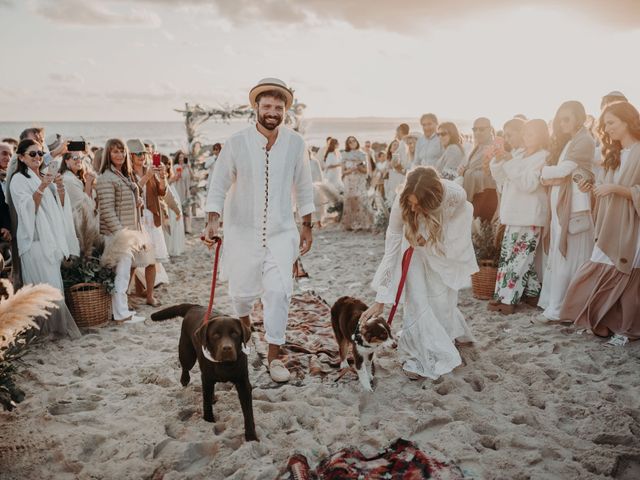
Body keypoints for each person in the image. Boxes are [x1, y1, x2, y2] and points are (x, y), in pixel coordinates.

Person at [203, 77, 314, 383]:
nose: (272, 112)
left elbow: (303, 186)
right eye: (267, 106)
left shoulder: (295, 143)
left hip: (281, 233)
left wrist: (307, 224)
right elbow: (218, 184)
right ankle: (246, 330)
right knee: (241, 295)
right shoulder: (236, 143)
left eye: (278, 107)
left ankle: (275, 355)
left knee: (278, 292)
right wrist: (212, 222)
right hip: (241, 232)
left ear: (284, 111)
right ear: (256, 107)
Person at [362, 167, 477, 380]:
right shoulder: (402, 203)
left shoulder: (455, 195)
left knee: (442, 298)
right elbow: (392, 250)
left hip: (443, 248)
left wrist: (435, 238)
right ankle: (417, 354)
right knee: (417, 299)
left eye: (418, 204)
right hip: (411, 246)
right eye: (410, 202)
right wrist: (381, 299)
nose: (413, 208)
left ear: (432, 199)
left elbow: (460, 225)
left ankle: (445, 337)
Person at [561, 101, 640, 343]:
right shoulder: (611, 154)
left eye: (611, 123)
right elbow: (603, 187)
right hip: (609, 223)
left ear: (628, 121)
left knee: (626, 275)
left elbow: (625, 189)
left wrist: (616, 189)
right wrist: (591, 186)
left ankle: (626, 328)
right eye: (605, 124)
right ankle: (602, 322)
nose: (606, 129)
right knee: (598, 266)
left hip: (632, 226)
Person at [10, 139, 80, 338]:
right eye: (32, 154)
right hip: (34, 242)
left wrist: (58, 188)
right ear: (22, 157)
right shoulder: (18, 180)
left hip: (49, 241)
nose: (38, 157)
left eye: (40, 153)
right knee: (43, 289)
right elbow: (26, 210)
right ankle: (45, 331)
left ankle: (55, 329)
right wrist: (42, 186)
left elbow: (57, 209)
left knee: (53, 286)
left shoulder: (40, 175)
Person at [538, 101, 596, 320]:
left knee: (569, 257)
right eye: (559, 119)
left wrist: (543, 172)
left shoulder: (584, 140)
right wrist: (549, 175)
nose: (562, 124)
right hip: (562, 207)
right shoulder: (572, 140)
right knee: (560, 256)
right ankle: (558, 306)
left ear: (579, 118)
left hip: (574, 209)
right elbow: (559, 174)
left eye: (567, 119)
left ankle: (562, 309)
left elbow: (563, 171)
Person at [489, 119, 550, 313]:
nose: (526, 137)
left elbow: (529, 184)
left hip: (530, 214)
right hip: (512, 213)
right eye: (525, 133)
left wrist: (509, 162)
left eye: (531, 134)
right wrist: (498, 160)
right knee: (509, 257)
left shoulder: (544, 157)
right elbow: (502, 180)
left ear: (541, 136)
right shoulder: (518, 154)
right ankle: (533, 293)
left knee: (520, 258)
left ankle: (508, 299)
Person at [96, 138, 145, 324]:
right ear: (108, 154)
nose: (120, 155)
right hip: (117, 235)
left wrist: (136, 202)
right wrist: (122, 235)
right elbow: (107, 210)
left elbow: (121, 203)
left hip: (126, 233)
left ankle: (121, 311)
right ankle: (121, 314)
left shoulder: (121, 175)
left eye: (122, 151)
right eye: (115, 151)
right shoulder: (106, 178)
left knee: (122, 275)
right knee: (120, 275)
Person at [128, 138, 168, 306]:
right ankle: (126, 295)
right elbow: (131, 191)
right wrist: (147, 176)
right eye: (137, 154)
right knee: (132, 262)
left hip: (151, 219)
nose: (141, 157)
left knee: (151, 260)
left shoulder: (149, 170)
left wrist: (162, 177)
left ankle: (149, 295)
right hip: (135, 219)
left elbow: (161, 193)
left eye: (143, 153)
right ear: (130, 155)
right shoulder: (126, 173)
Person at [459, 117, 499, 221]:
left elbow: (492, 178)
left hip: (487, 198)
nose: (477, 132)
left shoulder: (494, 148)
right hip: (476, 196)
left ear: (490, 129)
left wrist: (466, 173)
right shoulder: (478, 146)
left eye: (481, 129)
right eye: (475, 129)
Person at [341, 136, 373, 231]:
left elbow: (366, 171)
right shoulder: (344, 154)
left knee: (361, 199)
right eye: (349, 142)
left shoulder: (362, 154)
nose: (352, 143)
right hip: (349, 181)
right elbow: (343, 172)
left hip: (360, 180)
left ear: (357, 142)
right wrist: (351, 169)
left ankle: (363, 224)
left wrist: (359, 168)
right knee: (350, 200)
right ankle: (350, 224)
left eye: (353, 141)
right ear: (347, 144)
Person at [161, 155, 185, 257]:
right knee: (169, 223)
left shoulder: (170, 173)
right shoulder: (161, 175)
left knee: (176, 224)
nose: (167, 166)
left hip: (174, 198)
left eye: (169, 164)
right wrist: (172, 180)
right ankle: (168, 248)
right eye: (166, 163)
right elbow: (164, 188)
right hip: (168, 200)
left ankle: (175, 247)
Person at [171, 150, 194, 234]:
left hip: (186, 190)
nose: (181, 158)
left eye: (183, 157)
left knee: (187, 209)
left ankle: (188, 227)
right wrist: (178, 173)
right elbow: (174, 178)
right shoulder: (175, 167)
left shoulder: (187, 167)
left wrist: (188, 167)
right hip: (178, 189)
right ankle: (180, 228)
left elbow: (192, 176)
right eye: (180, 157)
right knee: (180, 208)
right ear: (177, 158)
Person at [386, 139, 409, 204]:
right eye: (394, 145)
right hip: (392, 183)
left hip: (401, 181)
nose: (397, 146)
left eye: (398, 145)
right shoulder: (388, 161)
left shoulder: (404, 159)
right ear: (390, 149)